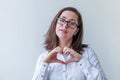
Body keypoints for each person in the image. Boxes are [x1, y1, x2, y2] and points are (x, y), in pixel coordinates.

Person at [32, 7, 107, 80]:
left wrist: (81, 60)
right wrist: (45, 63)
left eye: (72, 23)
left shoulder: (88, 53)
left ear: (76, 31)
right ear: (55, 25)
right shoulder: (44, 57)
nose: (65, 25)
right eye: (62, 20)